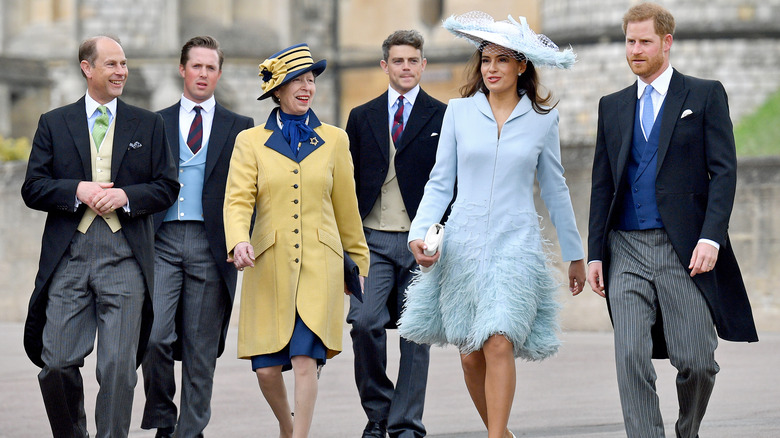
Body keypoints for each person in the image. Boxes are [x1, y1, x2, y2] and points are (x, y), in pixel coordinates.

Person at [398, 12, 586, 438]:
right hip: (462, 245)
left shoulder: (543, 119)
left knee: (498, 339)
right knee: (470, 355)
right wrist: (419, 234)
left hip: (515, 244)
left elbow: (555, 189)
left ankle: (495, 436)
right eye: (486, 60)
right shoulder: (459, 113)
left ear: (522, 66)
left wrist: (575, 254)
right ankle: (502, 432)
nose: (492, 69)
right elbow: (440, 181)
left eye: (502, 60)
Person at [583, 3, 758, 437]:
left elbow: (724, 171)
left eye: (644, 41)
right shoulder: (613, 106)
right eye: (629, 41)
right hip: (624, 247)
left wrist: (711, 238)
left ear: (666, 42)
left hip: (683, 248)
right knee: (629, 357)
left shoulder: (703, 95)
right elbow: (602, 186)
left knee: (698, 361)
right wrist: (594, 255)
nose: (635, 50)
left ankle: (687, 430)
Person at [21, 35, 179, 437]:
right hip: (69, 255)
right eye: (111, 64)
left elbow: (166, 187)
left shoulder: (149, 123)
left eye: (123, 64)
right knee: (54, 362)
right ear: (87, 68)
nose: (121, 72)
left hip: (125, 256)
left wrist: (126, 195)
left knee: (118, 369)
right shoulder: (53, 122)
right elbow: (33, 187)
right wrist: (77, 189)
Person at [224, 43, 369, 438]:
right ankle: (288, 426)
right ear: (277, 90)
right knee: (268, 369)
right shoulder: (249, 141)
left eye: (310, 80)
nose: (306, 88)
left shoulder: (335, 140)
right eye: (296, 81)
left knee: (306, 359)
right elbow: (237, 201)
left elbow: (347, 209)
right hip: (268, 266)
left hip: (321, 264)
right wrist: (238, 241)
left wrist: (358, 264)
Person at [140, 36, 254, 438]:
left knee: (200, 349)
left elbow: (248, 189)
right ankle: (164, 417)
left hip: (212, 244)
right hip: (163, 241)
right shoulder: (155, 122)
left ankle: (190, 431)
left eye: (211, 67)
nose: (203, 74)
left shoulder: (240, 127)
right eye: (197, 66)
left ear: (219, 73)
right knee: (155, 337)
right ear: (182, 69)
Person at [345, 30, 447, 438]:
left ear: (423, 65)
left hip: (420, 239)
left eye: (413, 60)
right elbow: (347, 184)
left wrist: (439, 237)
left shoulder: (443, 115)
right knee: (364, 323)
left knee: (415, 334)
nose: (406, 67)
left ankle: (406, 424)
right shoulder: (361, 116)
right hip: (372, 238)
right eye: (398, 61)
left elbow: (450, 181)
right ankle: (379, 412)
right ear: (385, 65)